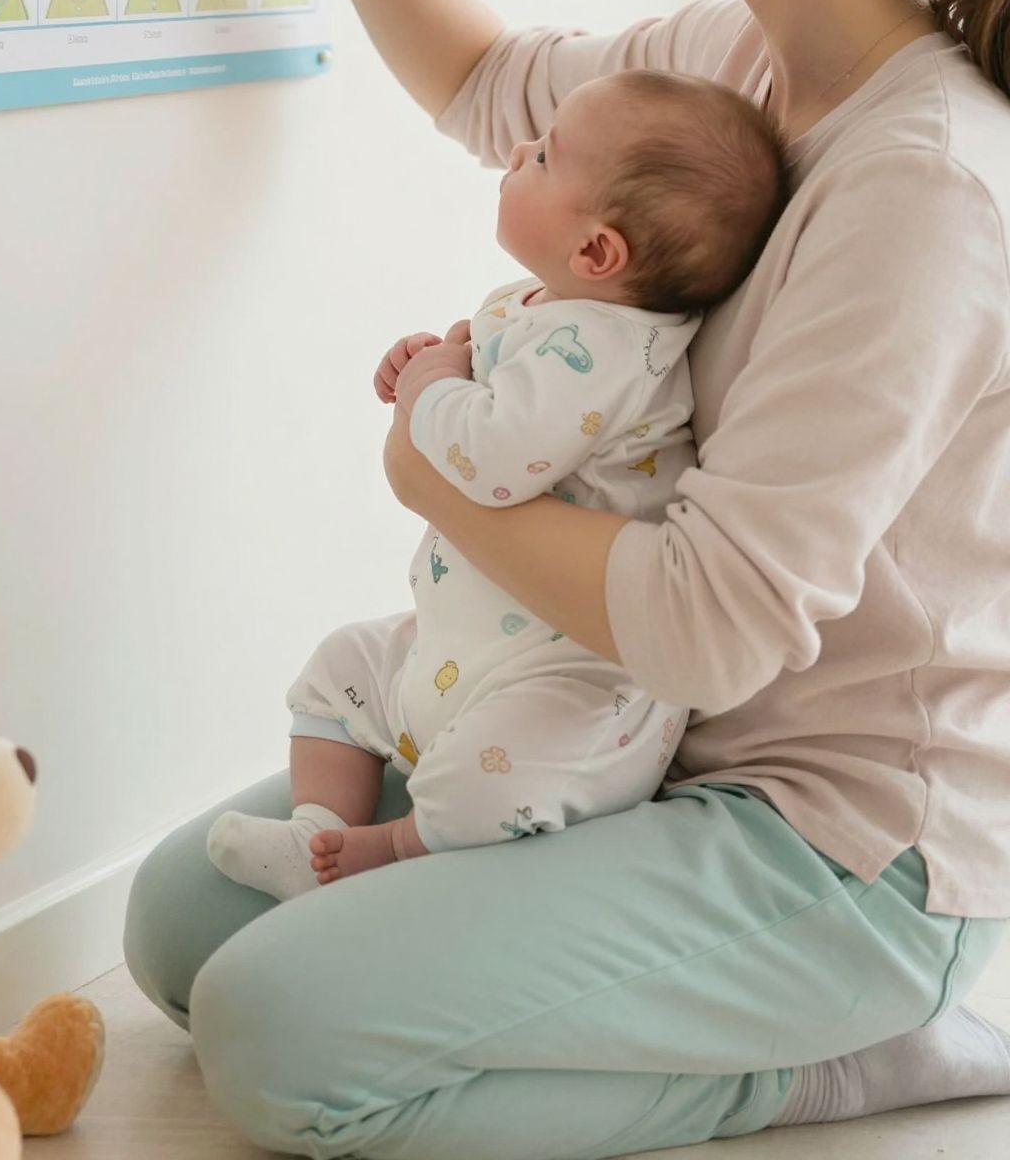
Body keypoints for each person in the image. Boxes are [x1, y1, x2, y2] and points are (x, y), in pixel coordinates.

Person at [124, 0, 1010, 1158]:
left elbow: (716, 622)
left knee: (274, 1039)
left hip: (832, 841)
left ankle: (877, 1047)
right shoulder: (735, 68)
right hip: (626, 735)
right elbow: (487, 85)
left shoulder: (925, 185)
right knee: (180, 925)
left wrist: (427, 470)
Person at [208, 70, 789, 896]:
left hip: (575, 677)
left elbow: (491, 455)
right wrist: (430, 360)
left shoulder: (605, 350)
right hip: (469, 642)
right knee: (344, 666)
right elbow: (480, 378)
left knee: (492, 780)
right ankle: (317, 832)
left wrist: (426, 394)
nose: (520, 151)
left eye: (545, 156)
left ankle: (392, 847)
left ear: (597, 250)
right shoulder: (549, 305)